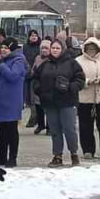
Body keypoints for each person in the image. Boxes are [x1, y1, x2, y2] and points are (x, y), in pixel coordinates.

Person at [34, 37, 85, 167]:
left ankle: (74, 154)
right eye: (53, 48)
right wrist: (39, 90)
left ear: (62, 49)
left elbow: (80, 79)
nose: (55, 50)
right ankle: (57, 155)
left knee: (69, 129)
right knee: (55, 130)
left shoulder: (72, 63)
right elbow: (35, 79)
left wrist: (70, 87)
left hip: (67, 102)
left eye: (58, 48)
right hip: (50, 103)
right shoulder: (45, 64)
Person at [0, 40, 26, 166]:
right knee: (2, 131)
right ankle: (2, 156)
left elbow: (13, 76)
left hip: (12, 102)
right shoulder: (2, 61)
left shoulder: (18, 61)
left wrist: (1, 66)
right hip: (0, 102)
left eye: (6, 48)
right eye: (2, 47)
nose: (3, 50)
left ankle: (12, 157)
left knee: (11, 131)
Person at [29, 38, 52, 135]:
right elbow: (33, 69)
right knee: (38, 106)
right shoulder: (38, 58)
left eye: (46, 48)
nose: (44, 50)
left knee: (48, 108)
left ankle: (49, 127)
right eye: (42, 48)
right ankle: (40, 124)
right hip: (38, 85)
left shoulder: (52, 59)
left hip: (48, 86)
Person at [22, 31, 43, 126]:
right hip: (27, 74)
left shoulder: (40, 47)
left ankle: (34, 118)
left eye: (35, 35)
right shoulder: (25, 47)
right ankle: (34, 117)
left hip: (36, 74)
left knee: (34, 98)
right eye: (32, 35)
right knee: (28, 98)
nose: (34, 37)